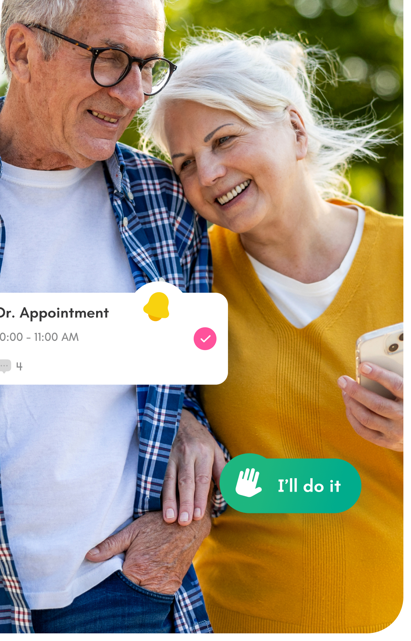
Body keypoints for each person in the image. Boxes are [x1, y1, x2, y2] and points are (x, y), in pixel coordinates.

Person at [0, 0, 226, 635]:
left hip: (122, 592)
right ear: (22, 51)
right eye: (108, 60)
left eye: (146, 65)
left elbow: (223, 377)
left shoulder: (171, 203)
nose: (133, 94)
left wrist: (200, 448)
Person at [145, 32, 403, 634]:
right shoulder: (187, 280)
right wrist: (175, 415)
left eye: (224, 139)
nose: (207, 173)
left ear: (294, 127)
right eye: (184, 162)